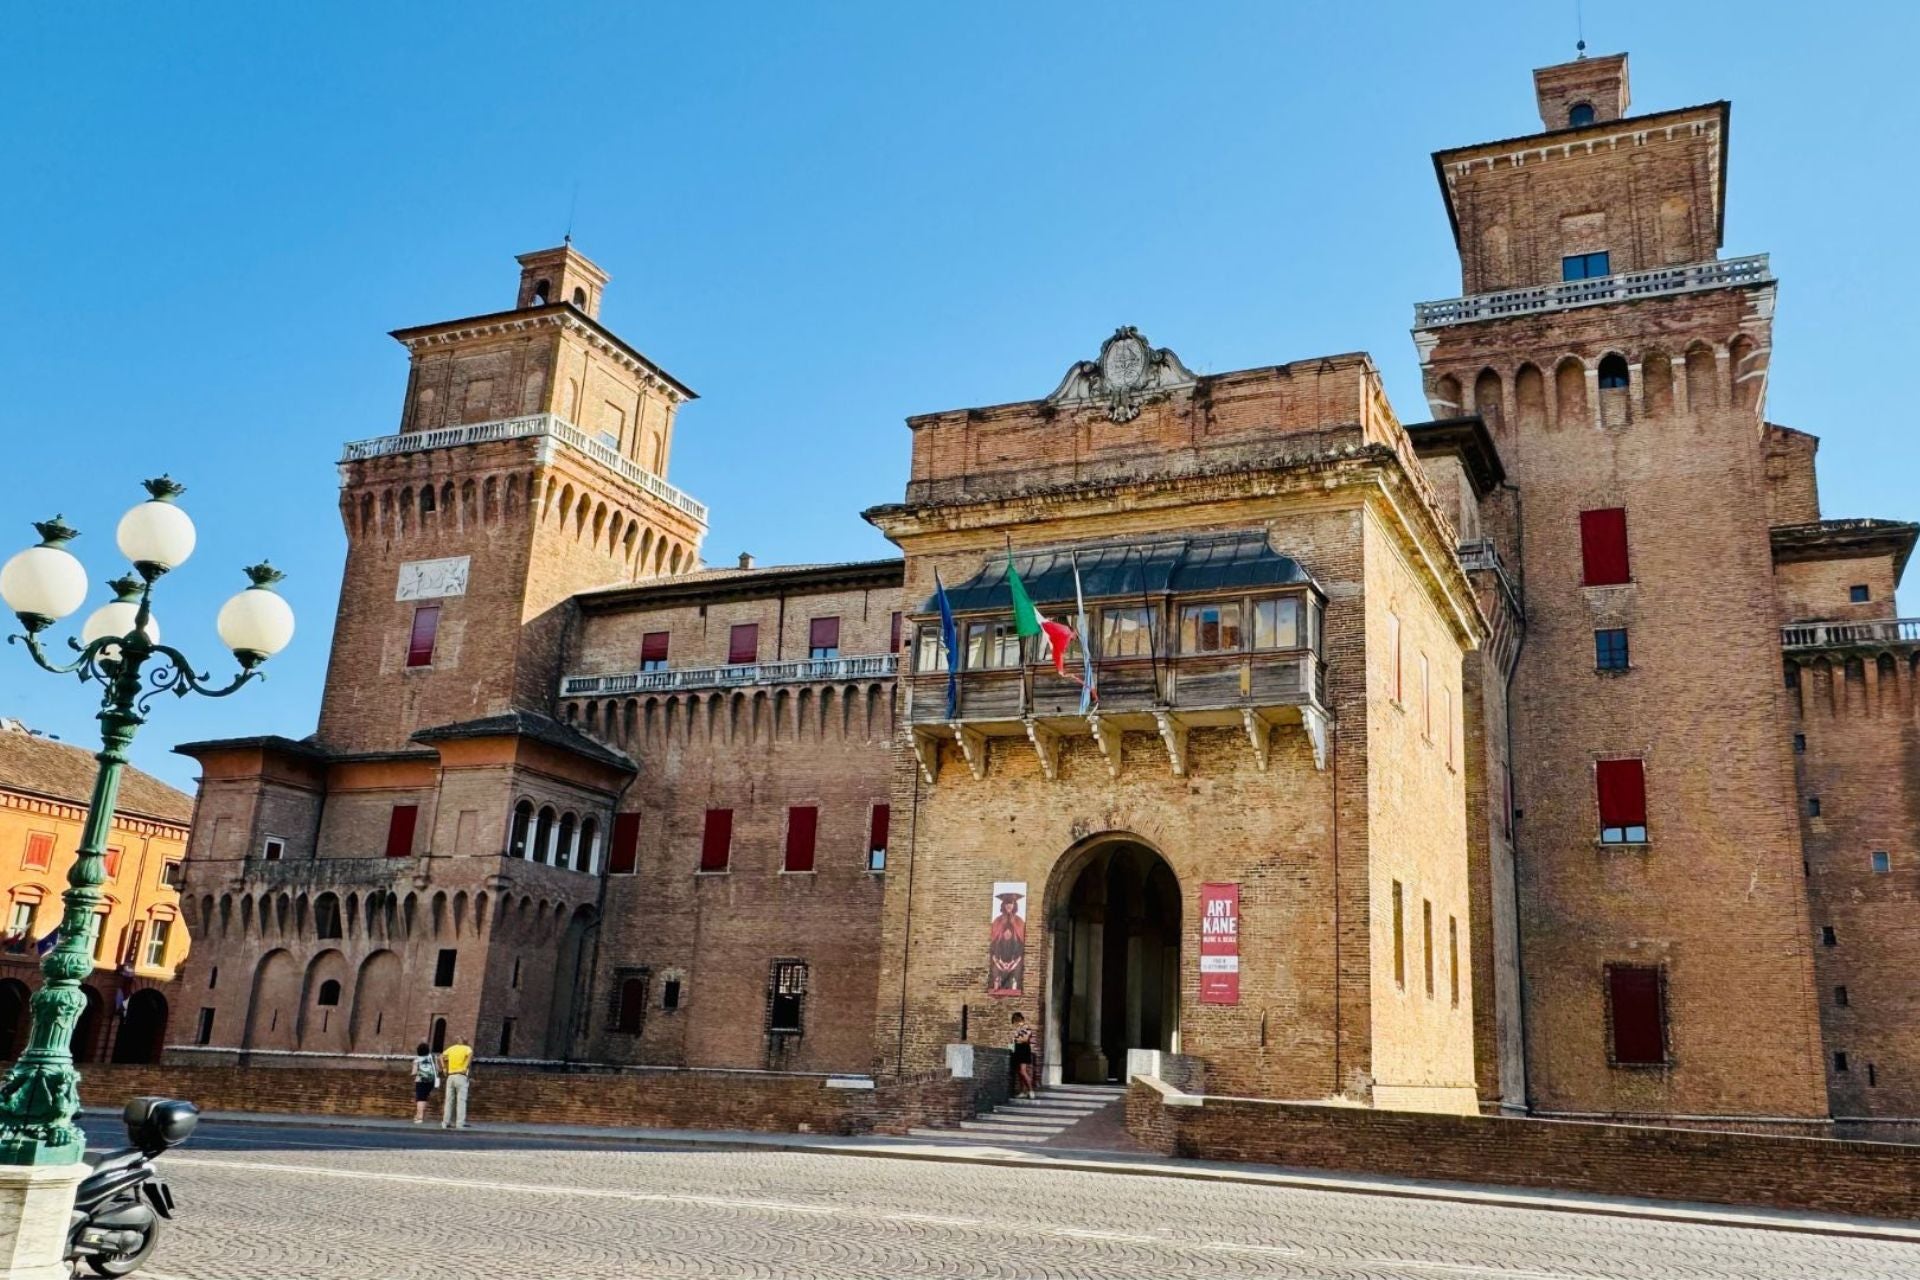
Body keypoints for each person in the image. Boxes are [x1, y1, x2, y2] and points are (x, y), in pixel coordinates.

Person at [439, 1036, 473, 1129]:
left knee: (449, 1100)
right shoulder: (467, 1048)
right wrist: (465, 1066)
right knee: (461, 1101)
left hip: (450, 1076)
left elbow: (441, 1056)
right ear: (465, 1042)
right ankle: (460, 1123)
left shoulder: (451, 1049)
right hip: (461, 1076)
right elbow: (470, 1055)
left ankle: (445, 1122)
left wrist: (444, 1068)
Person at [1010, 1011, 1036, 1099]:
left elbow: (1025, 1039)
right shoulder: (1018, 1028)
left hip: (1023, 1049)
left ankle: (1031, 1090)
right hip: (1017, 1049)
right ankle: (1022, 1091)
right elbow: (1013, 1040)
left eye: (1015, 1020)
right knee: (1019, 1072)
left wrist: (1016, 1039)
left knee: (1023, 1071)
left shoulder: (1025, 1027)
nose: (1015, 1022)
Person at [410, 1042, 437, 1124]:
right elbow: (438, 1069)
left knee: (420, 1098)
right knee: (424, 1097)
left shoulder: (417, 1059)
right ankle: (418, 1115)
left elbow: (414, 1072)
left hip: (421, 1080)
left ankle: (420, 1117)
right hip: (431, 1081)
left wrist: (412, 1074)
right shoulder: (432, 1057)